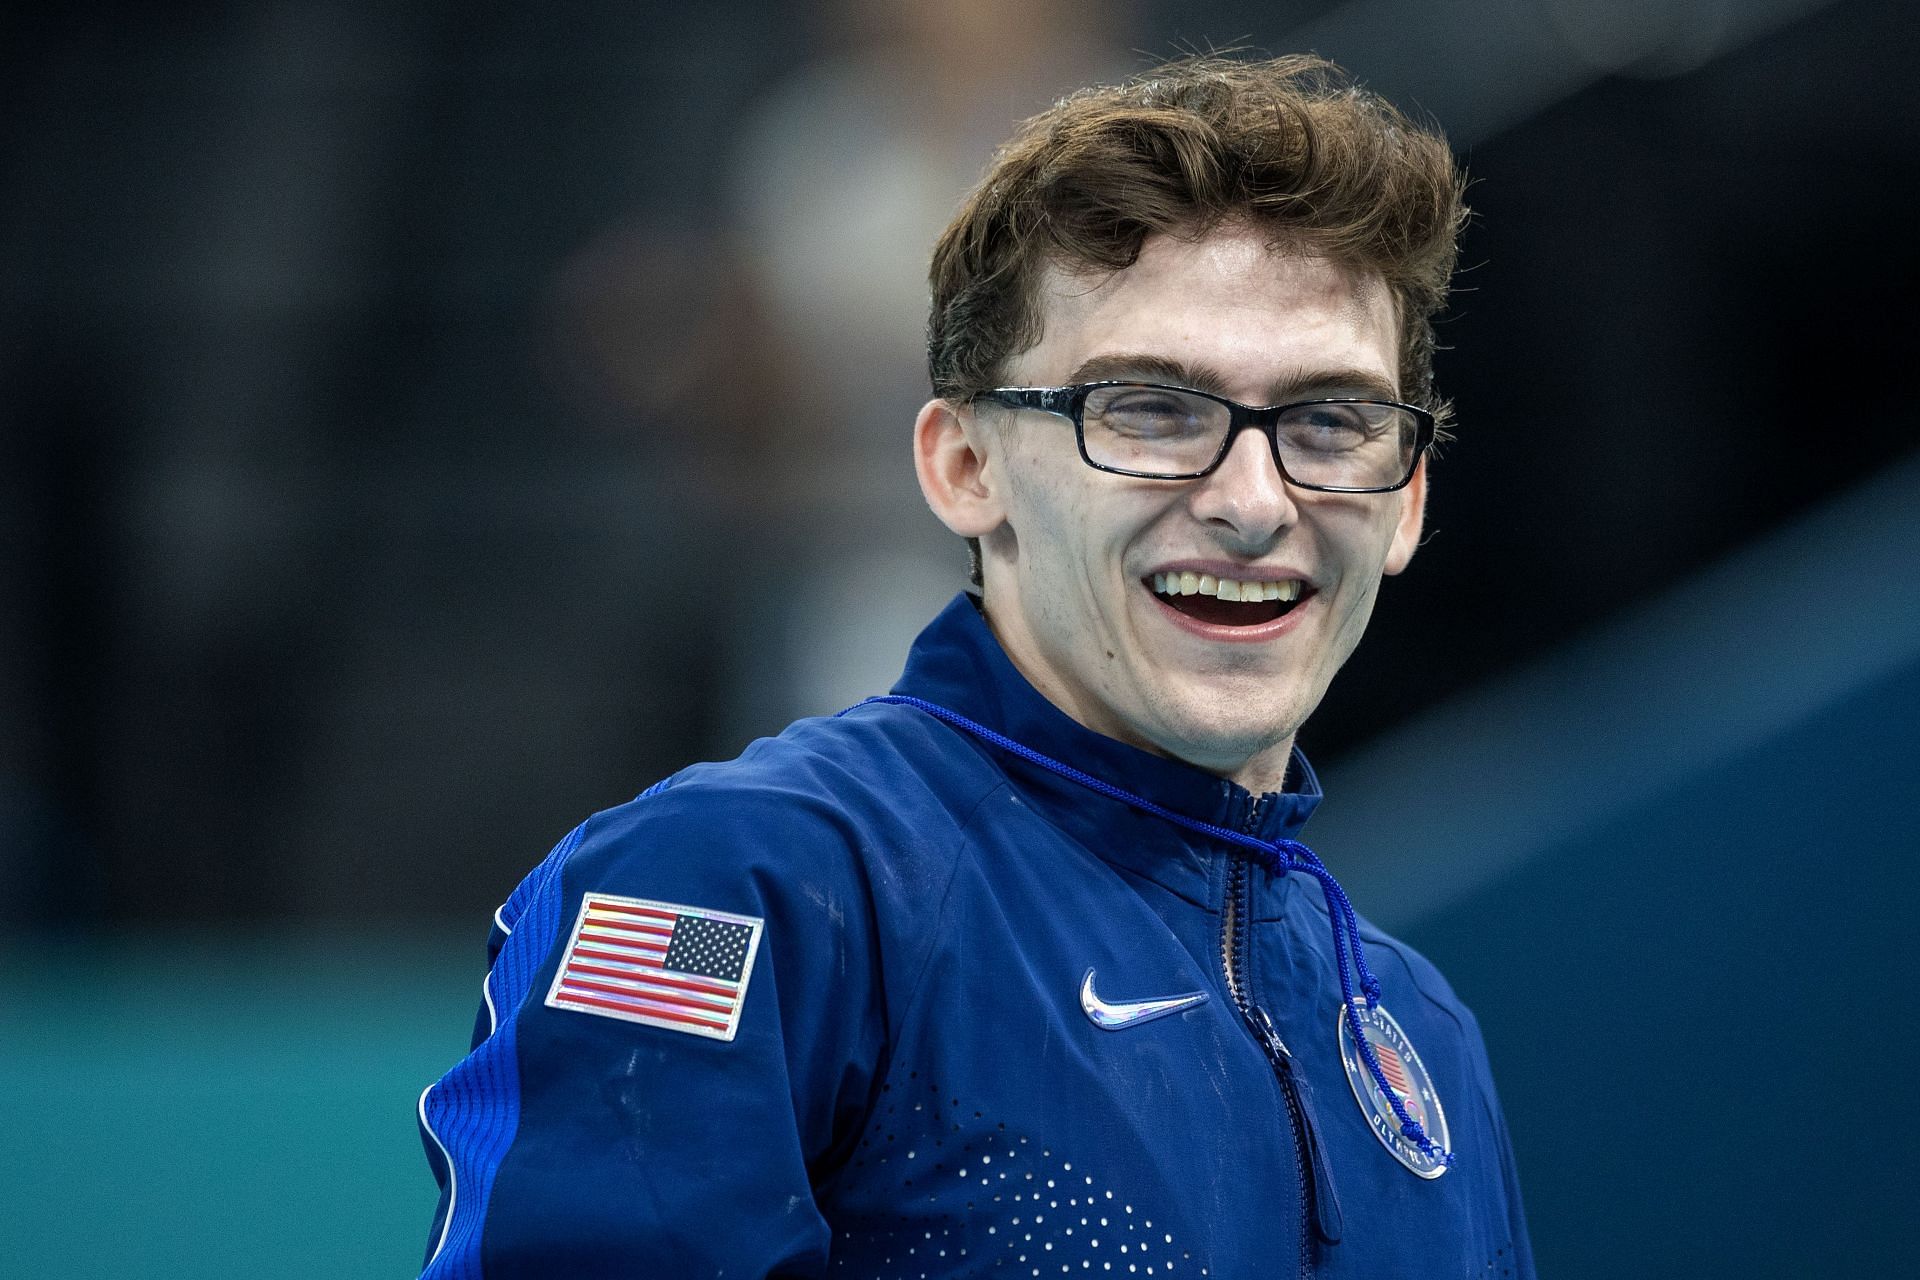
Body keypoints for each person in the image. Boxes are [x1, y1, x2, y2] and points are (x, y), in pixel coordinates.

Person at [418, 53, 1534, 1279]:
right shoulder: (721, 889)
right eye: (1152, 409)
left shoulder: (1418, 1027)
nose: (1255, 500)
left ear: (1411, 496)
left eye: (1330, 420)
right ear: (963, 466)